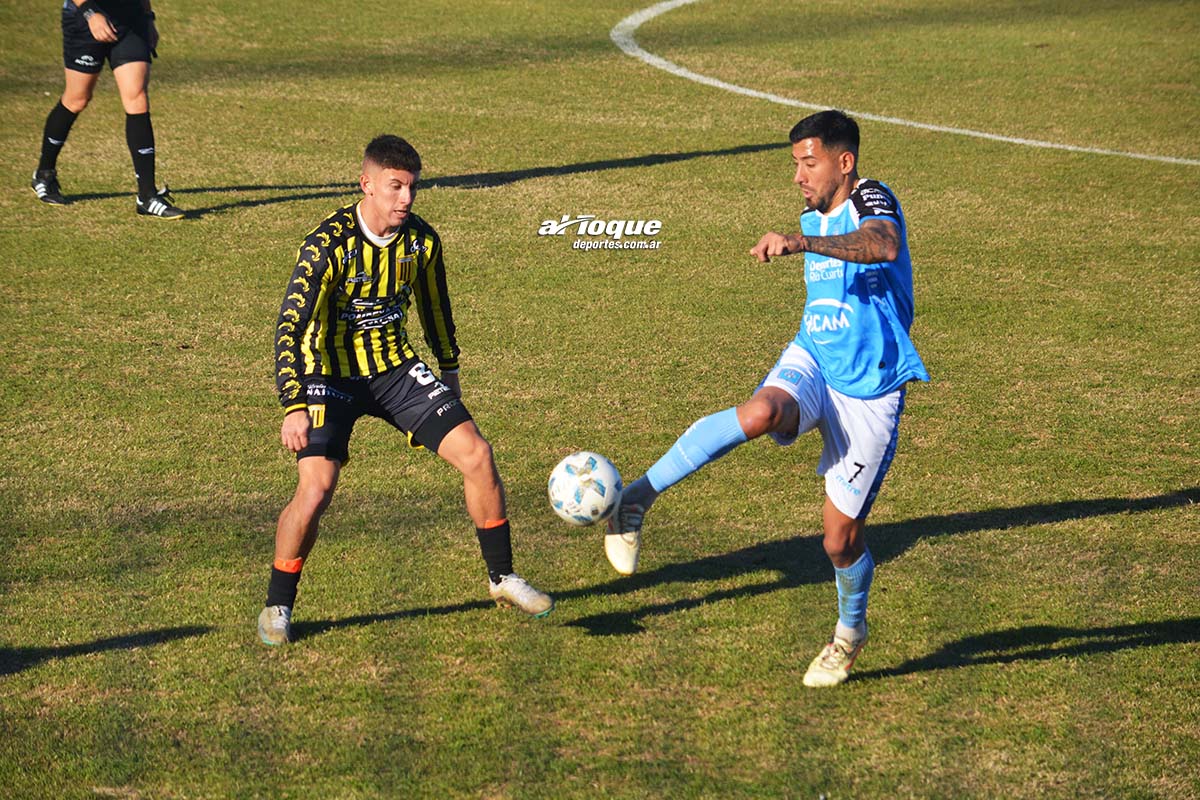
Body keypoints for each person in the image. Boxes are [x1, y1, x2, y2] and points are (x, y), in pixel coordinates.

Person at [605, 110, 929, 687]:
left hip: (871, 389)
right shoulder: (812, 212)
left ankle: (849, 634)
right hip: (813, 357)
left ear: (844, 162)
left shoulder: (873, 198)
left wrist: (804, 241)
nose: (800, 177)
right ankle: (636, 499)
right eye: (795, 166)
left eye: (810, 163)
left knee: (839, 541)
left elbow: (883, 245)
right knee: (758, 413)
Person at [259, 134, 553, 645]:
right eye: (395, 187)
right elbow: (289, 324)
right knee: (316, 489)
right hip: (328, 376)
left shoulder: (421, 242)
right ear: (366, 184)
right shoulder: (326, 245)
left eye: (412, 188)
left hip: (394, 369)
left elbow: (436, 308)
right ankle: (277, 607)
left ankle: (502, 578)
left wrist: (450, 370)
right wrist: (294, 402)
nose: (406, 200)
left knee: (478, 454)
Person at [31, 0, 184, 219]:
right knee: (77, 99)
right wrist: (90, 14)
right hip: (85, 19)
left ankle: (147, 196)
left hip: (131, 20)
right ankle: (44, 173)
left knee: (137, 97)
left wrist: (148, 18)